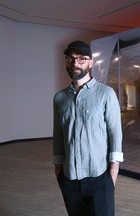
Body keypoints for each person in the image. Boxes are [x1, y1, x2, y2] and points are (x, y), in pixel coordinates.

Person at [52, 40, 123, 216]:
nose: (75, 63)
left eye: (82, 59)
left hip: (99, 178)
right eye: (71, 58)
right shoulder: (60, 98)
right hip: (69, 178)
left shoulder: (106, 94)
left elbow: (115, 132)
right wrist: (59, 171)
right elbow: (59, 135)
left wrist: (113, 172)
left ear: (91, 62)